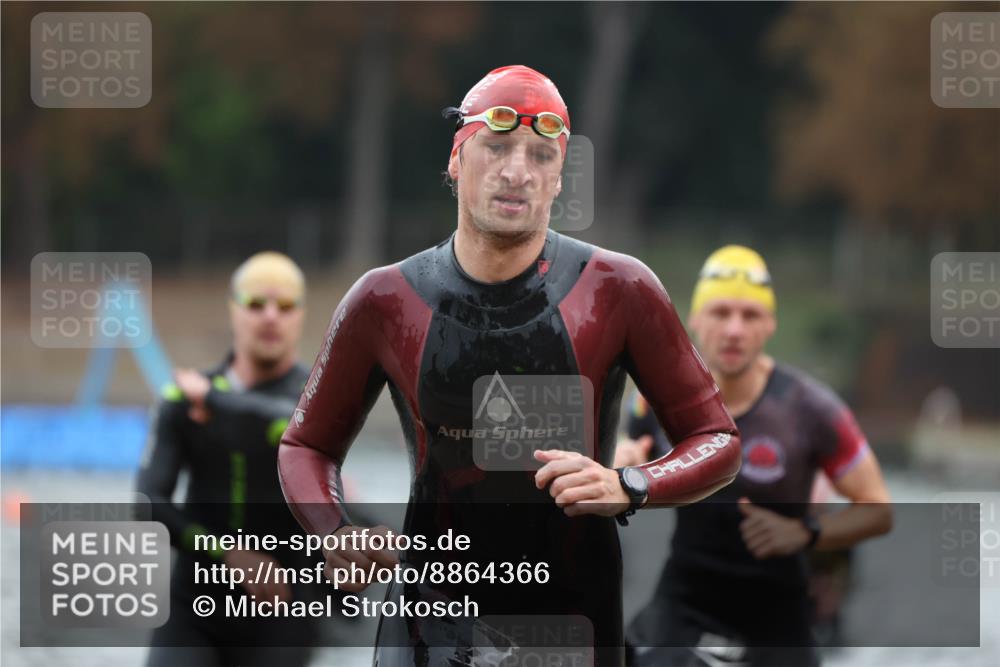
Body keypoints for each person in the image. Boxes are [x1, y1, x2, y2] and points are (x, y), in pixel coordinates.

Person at [277, 64, 741, 667]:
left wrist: (630, 485)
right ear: (456, 159)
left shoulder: (619, 289)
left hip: (570, 625)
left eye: (541, 155)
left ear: (559, 178)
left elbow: (717, 440)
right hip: (429, 623)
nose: (517, 170)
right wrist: (334, 531)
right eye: (496, 147)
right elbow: (306, 445)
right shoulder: (384, 300)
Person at [616, 245, 893, 666]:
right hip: (686, 598)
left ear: (770, 325)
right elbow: (624, 457)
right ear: (694, 319)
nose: (734, 330)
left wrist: (805, 533)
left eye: (750, 315)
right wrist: (622, 465)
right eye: (720, 312)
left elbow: (878, 510)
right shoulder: (655, 399)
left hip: (776, 611)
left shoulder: (811, 409)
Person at [137, 252, 320, 667]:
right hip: (194, 609)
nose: (270, 316)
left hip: (282, 612)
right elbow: (148, 503)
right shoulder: (182, 400)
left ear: (300, 316)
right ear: (233, 310)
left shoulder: (318, 397)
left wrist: (214, 399)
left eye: (285, 305)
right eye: (255, 303)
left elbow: (288, 423)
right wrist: (230, 555)